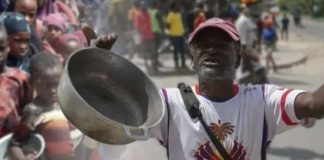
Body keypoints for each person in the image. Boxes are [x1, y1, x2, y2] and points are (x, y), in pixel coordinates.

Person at [99, 17, 324, 159]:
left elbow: (315, 104)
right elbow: (113, 119)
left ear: (238, 56)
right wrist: (100, 69)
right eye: (203, 46)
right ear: (193, 58)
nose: (211, 50)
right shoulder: (167, 103)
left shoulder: (264, 100)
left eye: (221, 45)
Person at [10, 53, 74, 160]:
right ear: (32, 83)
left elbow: (64, 132)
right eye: (47, 85)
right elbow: (14, 144)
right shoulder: (33, 111)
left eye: (57, 84)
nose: (53, 90)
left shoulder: (62, 104)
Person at [0, 24, 32, 138]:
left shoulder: (20, 78)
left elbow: (28, 108)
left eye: (1, 48)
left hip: (10, 142)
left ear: (8, 47)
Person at [166, 2, 187, 69]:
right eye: (177, 6)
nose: (178, 7)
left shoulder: (179, 14)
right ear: (173, 7)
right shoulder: (170, 15)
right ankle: (176, 65)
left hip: (181, 34)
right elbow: (168, 26)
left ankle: (183, 64)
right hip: (174, 35)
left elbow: (181, 23)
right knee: (176, 51)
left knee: (182, 50)